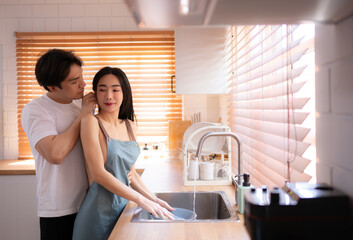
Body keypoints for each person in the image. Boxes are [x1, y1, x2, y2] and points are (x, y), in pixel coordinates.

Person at [73, 67, 174, 240]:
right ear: (95, 94)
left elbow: (131, 174)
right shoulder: (90, 122)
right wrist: (141, 200)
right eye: (102, 90)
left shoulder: (130, 126)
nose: (108, 96)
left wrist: (154, 199)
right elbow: (98, 173)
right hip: (96, 214)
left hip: (123, 210)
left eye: (115, 90)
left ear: (124, 92)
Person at [21, 49, 97, 240]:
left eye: (81, 76)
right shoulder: (35, 110)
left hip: (88, 203)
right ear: (52, 87)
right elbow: (55, 154)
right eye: (74, 81)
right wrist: (83, 115)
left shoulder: (81, 105)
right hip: (58, 209)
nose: (83, 84)